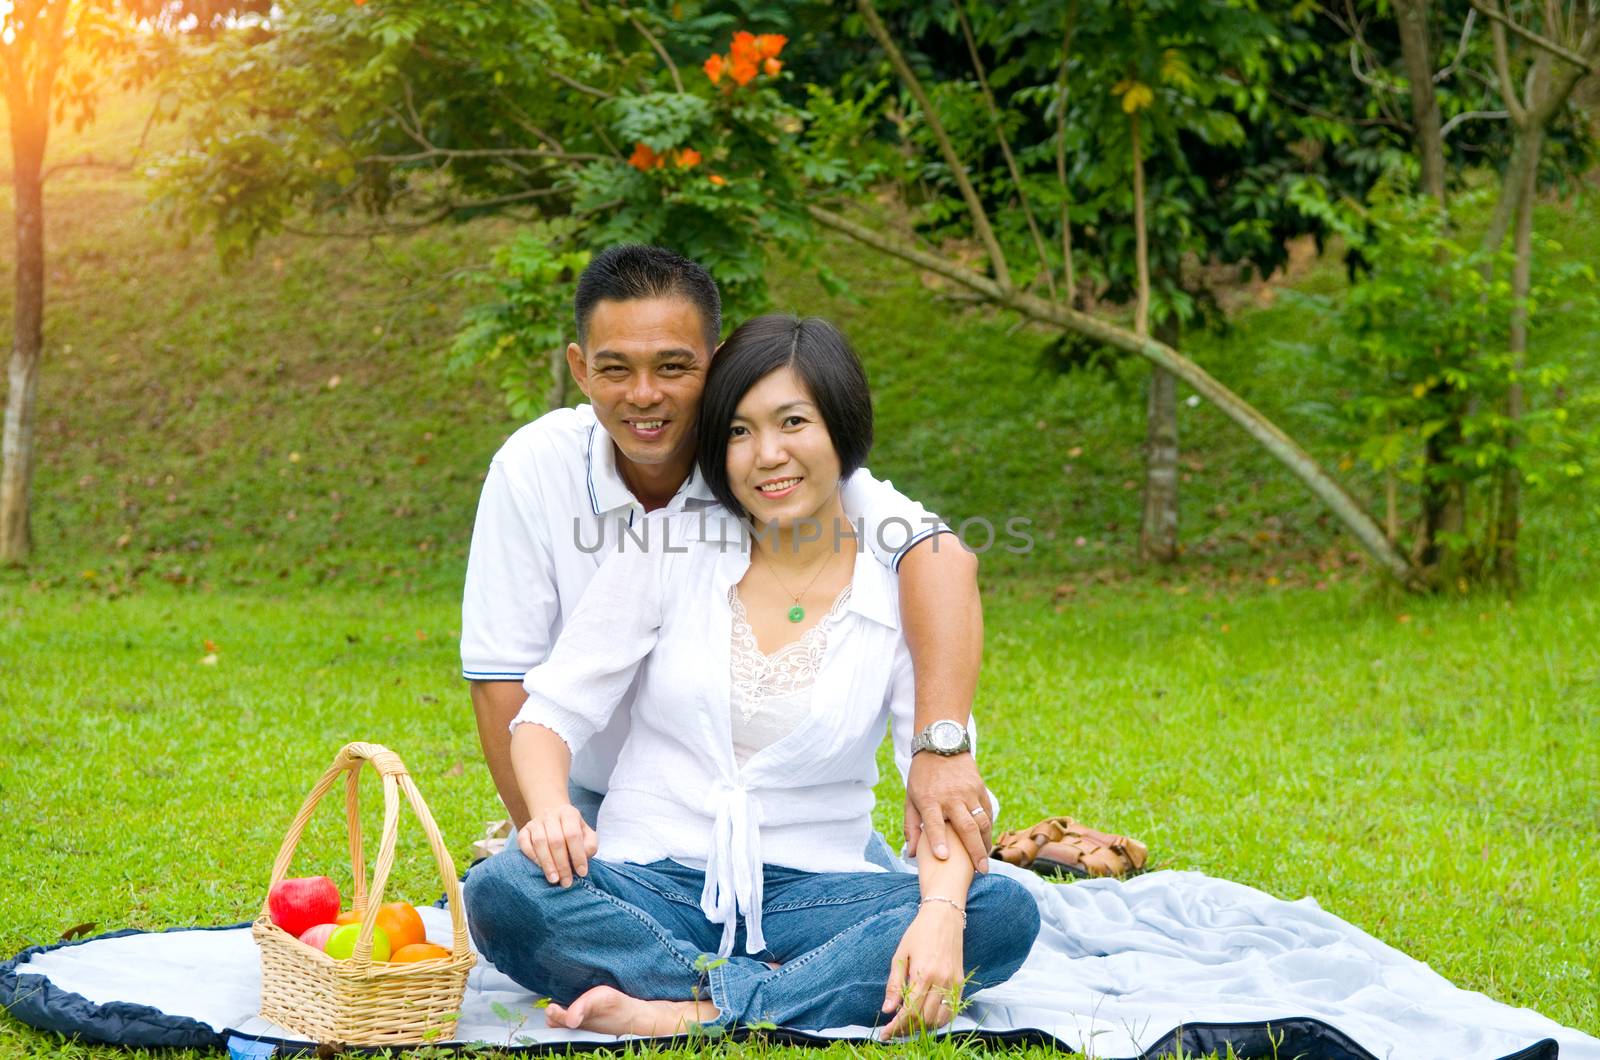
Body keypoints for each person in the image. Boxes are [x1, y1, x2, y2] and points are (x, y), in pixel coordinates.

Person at [464, 315, 1038, 1038]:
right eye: (738, 431)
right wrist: (549, 809)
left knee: (1000, 915)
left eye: (792, 421)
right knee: (503, 890)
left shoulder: (898, 583)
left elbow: (943, 795)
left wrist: (940, 914)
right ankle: (782, 998)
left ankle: (689, 1012)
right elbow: (549, 713)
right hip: (653, 880)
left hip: (816, 893)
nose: (766, 455)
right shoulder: (676, 543)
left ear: (842, 428)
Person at [460, 245, 996, 872]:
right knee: (515, 890)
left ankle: (743, 955)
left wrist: (940, 748)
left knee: (971, 906)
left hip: (774, 822)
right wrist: (548, 848)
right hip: (591, 798)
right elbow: (502, 677)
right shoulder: (534, 468)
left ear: (716, 368)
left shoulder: (777, 477)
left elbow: (940, 555)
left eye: (672, 366)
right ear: (580, 370)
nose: (644, 394)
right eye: (615, 369)